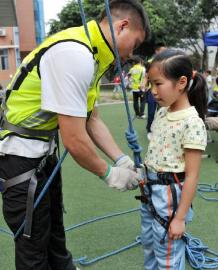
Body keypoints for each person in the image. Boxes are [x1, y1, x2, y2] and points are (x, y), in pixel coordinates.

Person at [0, 1, 150, 270]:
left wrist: (121, 159)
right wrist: (110, 174)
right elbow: (74, 139)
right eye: (135, 44)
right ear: (122, 26)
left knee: (54, 232)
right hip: (20, 156)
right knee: (32, 246)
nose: (130, 54)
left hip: (41, 155)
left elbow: (91, 117)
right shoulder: (75, 53)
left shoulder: (90, 52)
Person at [140, 49, 207, 269]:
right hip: (150, 190)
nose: (153, 91)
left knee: (167, 254)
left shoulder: (192, 123)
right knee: (149, 244)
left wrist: (179, 219)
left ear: (181, 83)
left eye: (158, 84)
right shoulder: (161, 113)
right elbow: (158, 152)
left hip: (170, 195)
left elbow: (192, 175)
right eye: (151, 84)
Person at [146, 42, 167, 139]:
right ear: (157, 51)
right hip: (152, 90)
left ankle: (160, 128)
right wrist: (143, 83)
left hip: (164, 91)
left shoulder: (168, 62)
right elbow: (147, 75)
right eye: (162, 51)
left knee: (163, 111)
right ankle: (149, 129)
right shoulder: (150, 62)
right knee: (151, 111)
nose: (164, 53)